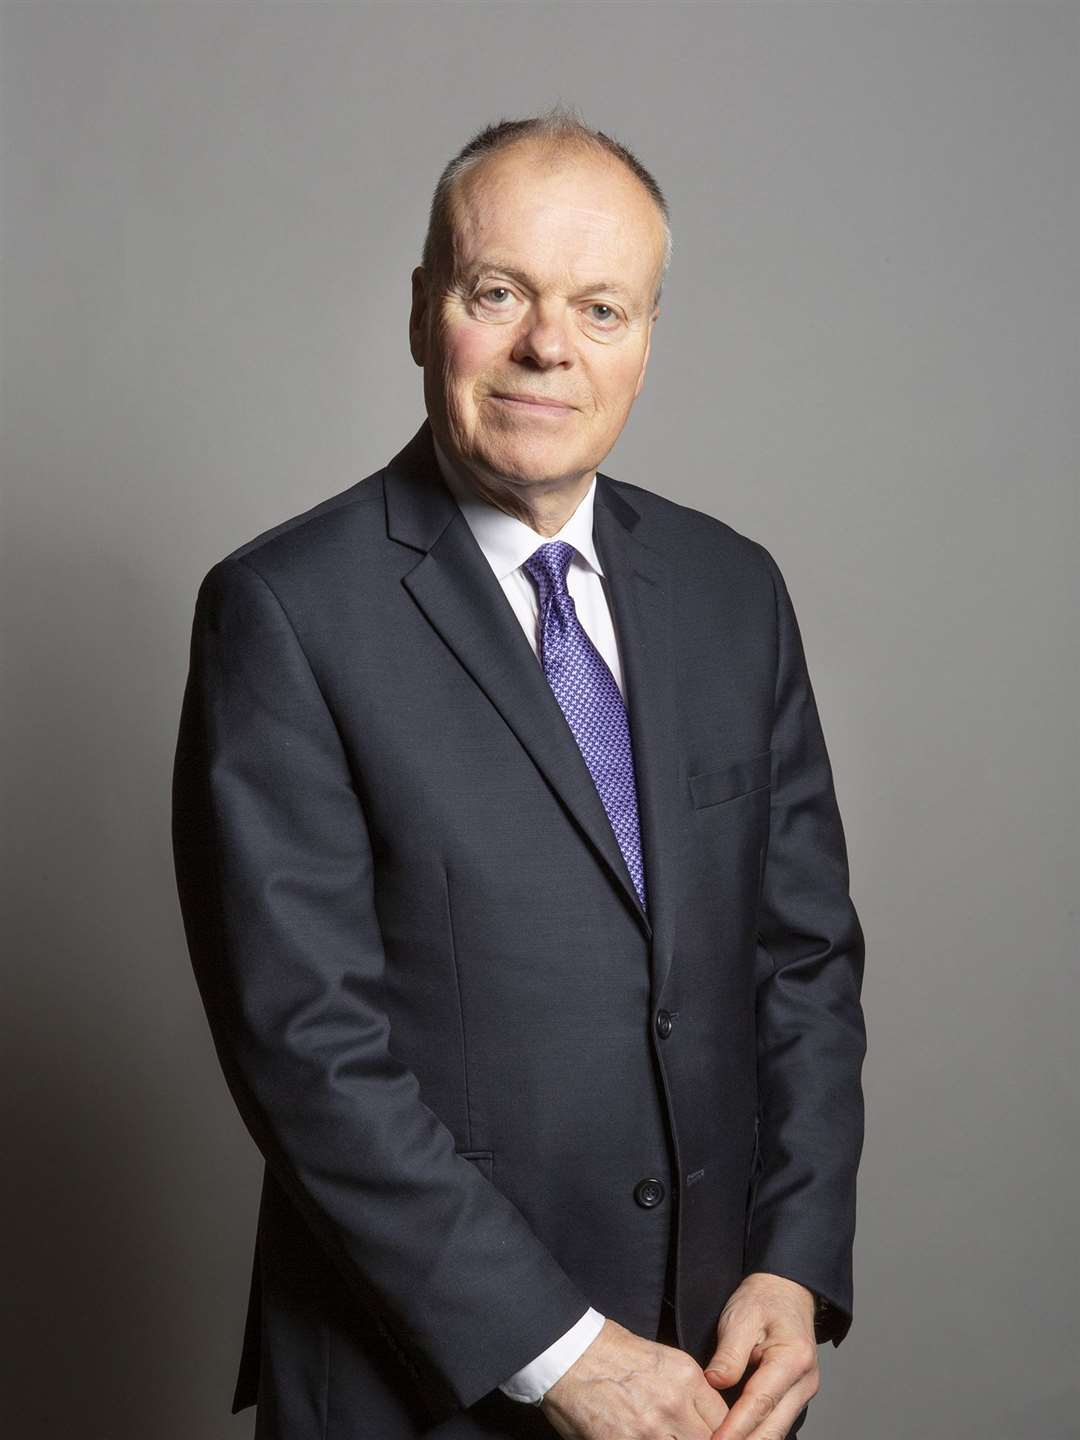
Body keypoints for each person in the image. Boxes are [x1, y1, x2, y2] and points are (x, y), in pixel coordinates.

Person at [171, 107, 867, 1440]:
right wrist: (563, 1354)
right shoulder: (285, 614)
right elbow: (307, 1046)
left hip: (708, 1379)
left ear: (646, 340)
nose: (551, 344)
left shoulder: (732, 592)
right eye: (503, 294)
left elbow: (801, 962)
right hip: (419, 1386)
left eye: (602, 308)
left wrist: (794, 1259)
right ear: (427, 309)